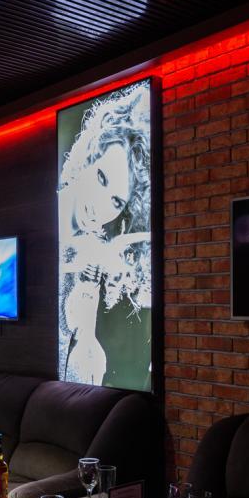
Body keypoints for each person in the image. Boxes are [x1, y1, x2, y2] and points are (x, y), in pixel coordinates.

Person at [57, 83, 152, 390]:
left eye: (115, 202)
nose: (98, 206)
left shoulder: (98, 259)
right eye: (101, 178)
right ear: (89, 155)